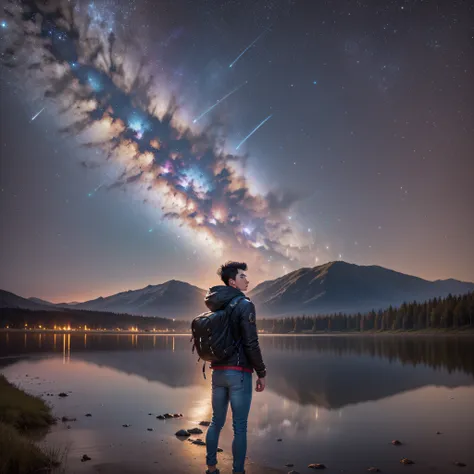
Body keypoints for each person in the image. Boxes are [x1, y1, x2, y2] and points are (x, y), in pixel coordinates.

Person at [204, 261, 267, 474]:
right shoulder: (245, 304)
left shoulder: (218, 306)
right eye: (242, 276)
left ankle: (211, 468)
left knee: (215, 422)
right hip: (239, 373)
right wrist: (261, 372)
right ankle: (238, 471)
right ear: (232, 282)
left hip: (217, 372)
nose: (247, 280)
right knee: (239, 427)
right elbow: (251, 343)